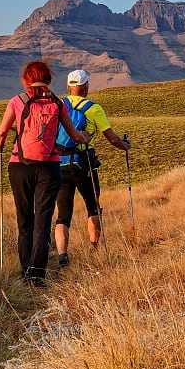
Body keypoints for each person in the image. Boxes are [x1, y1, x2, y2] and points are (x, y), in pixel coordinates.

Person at [0, 61, 89, 285]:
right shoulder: (57, 103)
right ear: (48, 79)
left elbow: (1, 134)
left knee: (24, 219)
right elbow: (74, 135)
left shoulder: (17, 101)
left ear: (26, 79)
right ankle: (37, 274)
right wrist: (84, 138)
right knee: (43, 220)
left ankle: (25, 269)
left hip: (20, 166)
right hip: (49, 167)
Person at [53, 69, 130, 267]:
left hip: (59, 163)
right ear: (85, 86)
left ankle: (62, 255)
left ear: (69, 86)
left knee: (63, 213)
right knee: (92, 206)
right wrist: (125, 146)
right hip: (83, 164)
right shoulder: (94, 109)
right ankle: (94, 248)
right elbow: (112, 138)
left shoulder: (58, 105)